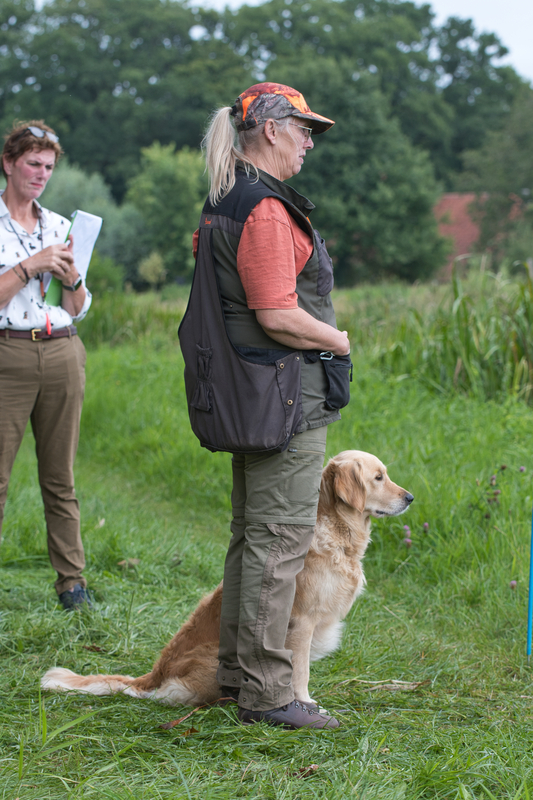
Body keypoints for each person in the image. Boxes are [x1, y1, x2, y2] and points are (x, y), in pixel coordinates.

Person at [180, 83, 351, 729]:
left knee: (253, 537)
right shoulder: (265, 208)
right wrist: (337, 338)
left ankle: (236, 675)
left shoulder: (226, 197)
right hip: (283, 397)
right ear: (271, 130)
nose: (309, 142)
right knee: (278, 542)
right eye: (303, 130)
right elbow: (277, 313)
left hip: (250, 393)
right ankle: (268, 693)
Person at [0, 120, 92, 610]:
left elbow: (77, 306)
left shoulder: (60, 227)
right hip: (8, 353)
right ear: (9, 163)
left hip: (62, 349)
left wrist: (73, 278)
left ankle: (72, 584)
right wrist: (30, 266)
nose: (41, 174)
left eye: (49, 166)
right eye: (33, 163)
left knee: (60, 477)